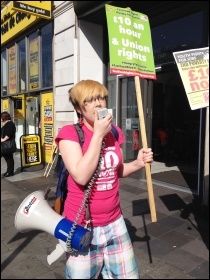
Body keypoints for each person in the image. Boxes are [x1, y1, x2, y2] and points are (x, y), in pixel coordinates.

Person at [55, 80, 153, 279]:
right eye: (90, 100)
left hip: (115, 222)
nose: (98, 103)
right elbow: (81, 176)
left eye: (101, 97)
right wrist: (98, 135)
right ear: (78, 108)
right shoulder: (70, 134)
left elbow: (117, 170)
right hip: (82, 225)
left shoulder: (114, 132)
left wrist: (138, 162)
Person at [1, 111, 16, 177]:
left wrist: (3, 139)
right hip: (5, 145)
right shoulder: (6, 124)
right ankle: (10, 172)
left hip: (6, 145)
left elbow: (8, 134)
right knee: (9, 158)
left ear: (3, 118)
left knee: (9, 158)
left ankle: (10, 172)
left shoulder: (10, 124)